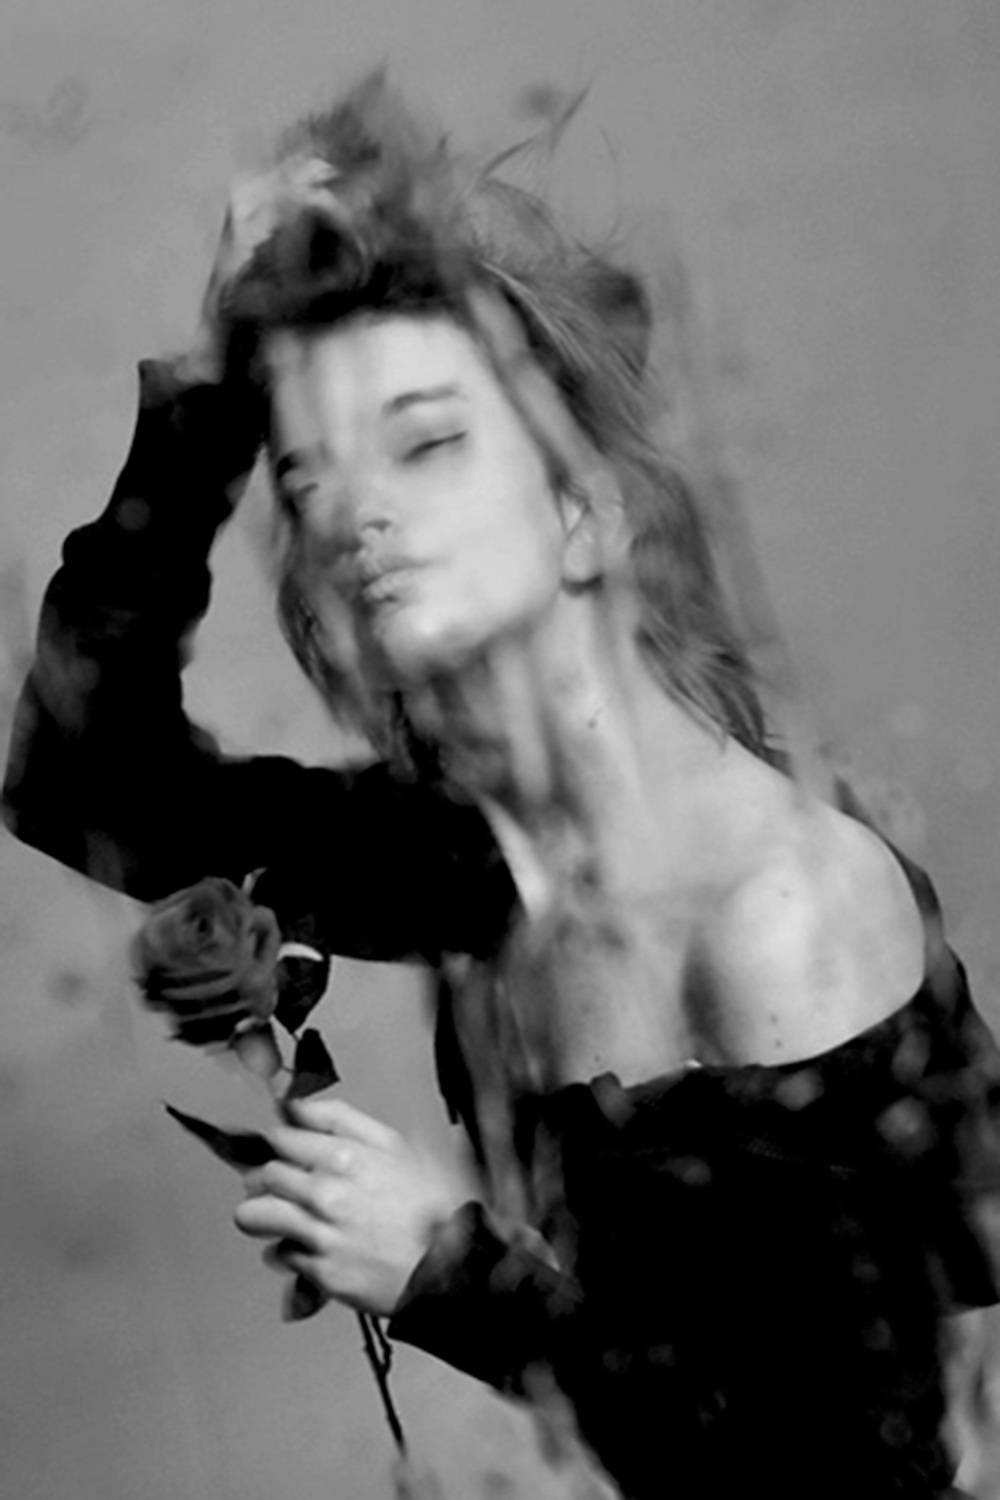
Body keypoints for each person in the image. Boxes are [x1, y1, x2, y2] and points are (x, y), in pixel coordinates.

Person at [4, 77, 1000, 1499]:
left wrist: (444, 1272)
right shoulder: (476, 863)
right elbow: (77, 780)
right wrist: (218, 390)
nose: (358, 510)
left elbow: (832, 1479)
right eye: (311, 477)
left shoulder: (778, 915)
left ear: (585, 510)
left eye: (426, 441)